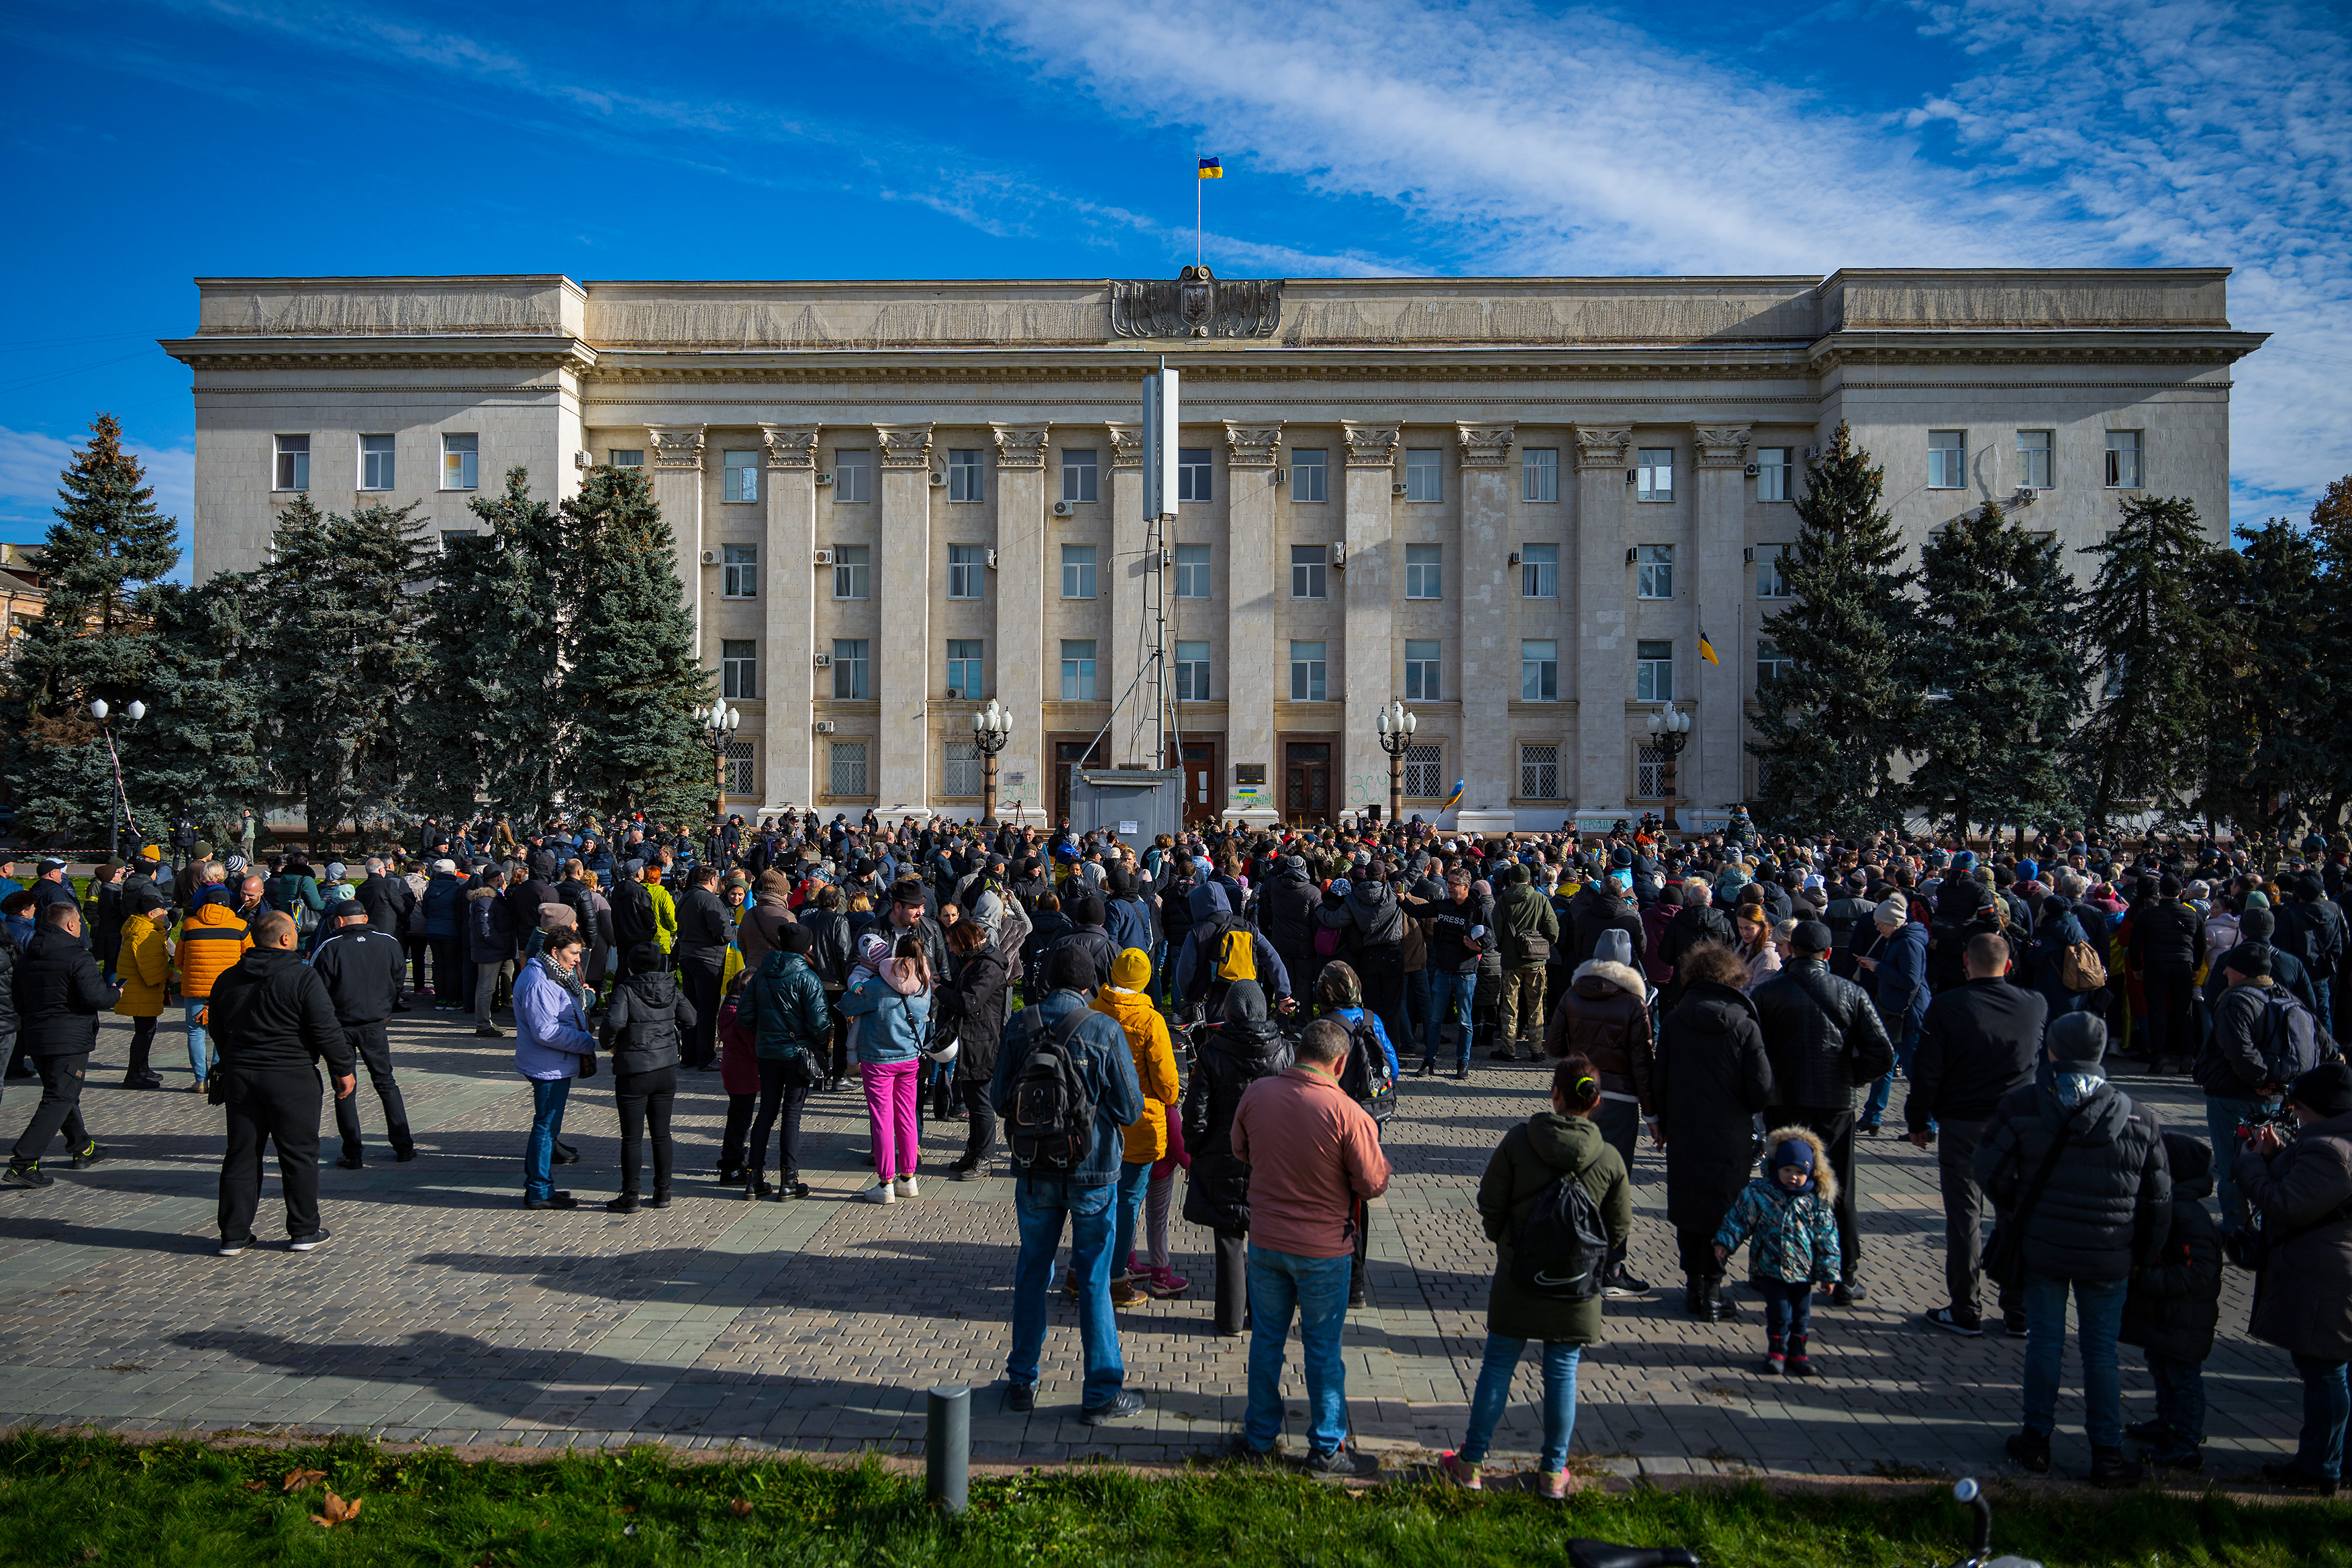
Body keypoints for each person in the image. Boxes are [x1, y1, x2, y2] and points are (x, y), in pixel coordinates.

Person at [1976, 1012, 2171, 1487]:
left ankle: (2036, 1440)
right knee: (2100, 1351)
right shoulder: (2141, 1116)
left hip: (2043, 1246)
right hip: (2109, 1253)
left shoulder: (2023, 1105)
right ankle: (2106, 1452)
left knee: (2045, 1342)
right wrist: (2142, 1252)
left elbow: (1988, 1169)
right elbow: (2158, 1200)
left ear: (2052, 1052)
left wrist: (2018, 1207)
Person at [1437, 1055, 1630, 1497]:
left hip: (1519, 1275)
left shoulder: (1520, 1141)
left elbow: (1491, 1202)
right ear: (1596, 1101)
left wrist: (1507, 1247)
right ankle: (1552, 1474)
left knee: (1498, 1365)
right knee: (1562, 1373)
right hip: (1576, 1284)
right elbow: (1617, 1229)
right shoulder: (1610, 1159)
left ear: (1554, 1094)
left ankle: (1470, 1464)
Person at [1226, 1015, 1391, 1475]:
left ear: (1297, 1053)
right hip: (1324, 1252)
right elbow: (1373, 1182)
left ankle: (1259, 1438)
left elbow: (1240, 1149)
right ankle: (1326, 1447)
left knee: (1266, 1343)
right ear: (1340, 1065)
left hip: (1266, 1243)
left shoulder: (1257, 1094)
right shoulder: (1349, 1114)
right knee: (1322, 1351)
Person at [991, 944, 1146, 1424]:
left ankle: (1022, 1379)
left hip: (1034, 1167)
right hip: (1094, 1171)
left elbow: (999, 1099)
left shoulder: (1021, 1024)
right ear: (1089, 986)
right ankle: (1101, 1392)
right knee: (1096, 1278)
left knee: (1032, 1272)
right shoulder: (1103, 1028)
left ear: (1046, 981)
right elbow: (1130, 1109)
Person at [1908, 932, 2047, 1337]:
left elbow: (1927, 1070)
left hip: (1964, 1122)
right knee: (2016, 1214)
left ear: (1966, 964)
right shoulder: (2034, 1004)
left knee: (1965, 1216)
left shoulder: (1948, 1006)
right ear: (2008, 966)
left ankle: (1965, 1306)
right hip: (2019, 1123)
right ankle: (2018, 1310)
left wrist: (1919, 1120)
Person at [1750, 920, 1893, 1306]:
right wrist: (1851, 1076)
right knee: (1838, 1188)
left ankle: (1772, 1265)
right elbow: (1883, 1052)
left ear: (1791, 950)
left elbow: (1751, 1049)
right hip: (1834, 1104)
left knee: (1780, 1184)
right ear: (1828, 954)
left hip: (1785, 1101)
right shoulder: (1851, 992)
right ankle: (1844, 1276)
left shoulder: (1767, 993)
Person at [2233, 1061, 2352, 1496]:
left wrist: (2250, 1168)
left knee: (2324, 1371)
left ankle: (2320, 1467)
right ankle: (2333, 1460)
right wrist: (2281, 1155)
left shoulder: (2330, 1151)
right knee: (2334, 1370)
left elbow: (2287, 1206)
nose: (2295, 1116)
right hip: (2335, 1270)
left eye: (2299, 1110)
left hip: (2327, 1278)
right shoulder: (2333, 1144)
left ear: (2320, 1108)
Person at [207, 911, 357, 1254]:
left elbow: (216, 1027)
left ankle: (233, 1234)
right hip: (292, 1075)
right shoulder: (301, 977)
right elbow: (325, 1027)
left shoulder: (228, 978)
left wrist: (234, 1055)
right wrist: (343, 1068)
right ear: (287, 939)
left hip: (242, 1075)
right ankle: (304, 1229)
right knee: (299, 1154)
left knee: (241, 1154)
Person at [1653, 942, 1775, 1321]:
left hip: (1685, 1130)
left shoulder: (1675, 1019)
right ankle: (1713, 1287)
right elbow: (1761, 1088)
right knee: (1724, 1208)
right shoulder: (1743, 1023)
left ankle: (1694, 1285)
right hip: (1730, 1133)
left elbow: (1661, 1076)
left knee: (1689, 1208)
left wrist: (1658, 1118)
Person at [1545, 926, 1653, 1296]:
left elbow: (1553, 1044)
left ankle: (1571, 1256)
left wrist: (1580, 1057)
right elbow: (1643, 1063)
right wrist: (1653, 1115)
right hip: (1620, 1102)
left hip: (1578, 1096)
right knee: (1614, 1184)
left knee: (1574, 1177)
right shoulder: (1633, 1004)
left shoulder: (1573, 994)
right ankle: (1611, 1267)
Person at [1182, 978, 1293, 1336]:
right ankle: (1262, 1317)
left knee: (1229, 1240)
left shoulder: (1212, 1053)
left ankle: (1229, 1320)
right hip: (1273, 1163)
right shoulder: (1286, 1052)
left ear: (1228, 1012)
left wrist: (1195, 1149)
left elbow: (1195, 1114)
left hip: (1223, 1158)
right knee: (1264, 1242)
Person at [2198, 942, 2327, 1234]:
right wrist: (2278, 1085)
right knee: (2267, 1161)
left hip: (2233, 1096)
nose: (2226, 972)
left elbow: (2240, 1050)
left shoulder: (2236, 1000)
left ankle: (2238, 1231)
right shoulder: (2285, 996)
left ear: (2242, 971)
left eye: (2231, 967)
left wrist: (2259, 1082)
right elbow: (2323, 1042)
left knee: (2233, 1165)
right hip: (2276, 1098)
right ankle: (2264, 1223)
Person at [2118, 1131, 2224, 1474]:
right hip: (2167, 1316)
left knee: (2184, 1378)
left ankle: (2187, 1444)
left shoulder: (2188, 1215)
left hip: (2185, 1317)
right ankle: (2167, 1424)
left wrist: (2143, 1277)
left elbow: (2198, 1271)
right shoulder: (2171, 1206)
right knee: (2161, 1368)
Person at [1089, 946, 1180, 1308]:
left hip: (1099, 1120)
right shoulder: (1151, 1020)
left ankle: (1091, 1267)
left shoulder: (1094, 1010)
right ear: (1145, 980)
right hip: (1141, 1123)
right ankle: (1116, 1274)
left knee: (1099, 1198)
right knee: (1128, 1200)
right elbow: (1168, 1083)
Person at [1712, 1126, 1843, 1376]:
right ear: (1775, 1168)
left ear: (1810, 1172)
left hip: (1803, 1272)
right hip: (1769, 1267)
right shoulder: (1760, 1193)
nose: (1793, 1177)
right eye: (1787, 1170)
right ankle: (1777, 1350)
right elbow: (1739, 1219)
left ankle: (1798, 1351)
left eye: (1799, 1172)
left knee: (1801, 1313)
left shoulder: (1815, 1201)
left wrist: (1829, 1274)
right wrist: (1725, 1242)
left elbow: (1827, 1239)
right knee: (1780, 1313)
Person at [3, 903, 117, 1187]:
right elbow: (96, 998)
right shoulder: (77, 956)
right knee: (58, 1098)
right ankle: (23, 1163)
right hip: (69, 1039)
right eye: (79, 921)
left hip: (37, 1037)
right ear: (69, 925)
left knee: (62, 1093)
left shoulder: (28, 955)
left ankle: (82, 1147)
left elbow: (18, 998)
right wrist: (115, 993)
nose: (82, 926)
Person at [311, 899, 413, 1169]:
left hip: (339, 1026)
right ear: (365, 919)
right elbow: (399, 979)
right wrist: (387, 1005)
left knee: (345, 1088)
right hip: (375, 1023)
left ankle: (353, 1152)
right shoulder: (389, 942)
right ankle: (403, 1145)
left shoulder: (330, 946)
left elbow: (316, 989)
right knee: (386, 1082)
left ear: (339, 921)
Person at [838, 931, 934, 1203]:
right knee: (907, 1116)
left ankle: (885, 1183)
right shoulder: (924, 985)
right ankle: (909, 1179)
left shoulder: (877, 985)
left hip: (878, 1059)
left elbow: (846, 1005)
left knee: (882, 1119)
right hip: (910, 1058)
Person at [740, 923, 833, 1200]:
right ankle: (788, 1180)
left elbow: (744, 1014)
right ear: (806, 948)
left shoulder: (762, 973)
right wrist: (817, 1041)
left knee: (766, 1111)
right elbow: (819, 1023)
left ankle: (754, 1177)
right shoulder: (807, 977)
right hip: (797, 1054)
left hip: (768, 1052)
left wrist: (766, 1032)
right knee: (791, 1114)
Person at [600, 941, 693, 1212]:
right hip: (664, 1068)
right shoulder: (671, 989)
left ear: (630, 968)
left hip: (633, 1068)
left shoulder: (626, 990)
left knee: (631, 1137)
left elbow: (612, 1025)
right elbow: (691, 1018)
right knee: (662, 1133)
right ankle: (663, 1191)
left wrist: (610, 1043)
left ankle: (630, 1195)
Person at [513, 927, 597, 1210]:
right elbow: (545, 1031)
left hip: (553, 1062)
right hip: (547, 1064)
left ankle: (541, 1184)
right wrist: (585, 1042)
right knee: (546, 1127)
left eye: (579, 953)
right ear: (554, 951)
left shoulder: (552, 974)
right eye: (573, 954)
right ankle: (538, 1189)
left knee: (548, 1126)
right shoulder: (540, 981)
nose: (577, 960)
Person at [938, 916, 1010, 1180]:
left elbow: (968, 1002)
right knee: (972, 1099)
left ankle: (984, 1157)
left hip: (983, 1042)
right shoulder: (974, 961)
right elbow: (962, 992)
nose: (951, 950)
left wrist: (937, 990)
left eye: (952, 945)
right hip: (973, 1039)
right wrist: (943, 984)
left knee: (980, 1104)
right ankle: (974, 1151)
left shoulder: (987, 967)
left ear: (965, 941)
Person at [1858, 897, 1928, 1134]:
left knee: (1913, 1072)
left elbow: (1910, 980)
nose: (1878, 929)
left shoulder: (1908, 943)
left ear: (1896, 923)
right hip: (1895, 1013)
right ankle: (1872, 1116)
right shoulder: (1898, 939)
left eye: (1881, 925)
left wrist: (1877, 967)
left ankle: (1927, 1123)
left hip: (1908, 1016)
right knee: (1884, 1066)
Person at [111, 889, 171, 1089]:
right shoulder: (148, 935)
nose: (166, 913)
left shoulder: (141, 928)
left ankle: (143, 1068)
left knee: (147, 1029)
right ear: (150, 914)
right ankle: (134, 1074)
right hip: (142, 991)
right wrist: (172, 975)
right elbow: (153, 971)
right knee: (144, 1032)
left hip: (139, 990)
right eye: (163, 910)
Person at [673, 865, 730, 1070]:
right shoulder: (708, 900)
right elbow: (722, 931)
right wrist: (733, 932)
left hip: (687, 957)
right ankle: (705, 1057)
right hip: (707, 960)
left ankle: (688, 1056)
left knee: (691, 1008)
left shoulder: (685, 898)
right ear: (714, 880)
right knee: (707, 1010)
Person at [467, 867, 517, 1038]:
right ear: (498, 877)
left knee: (488, 987)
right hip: (490, 951)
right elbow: (485, 930)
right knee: (486, 988)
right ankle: (482, 1025)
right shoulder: (485, 900)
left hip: (495, 950)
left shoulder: (494, 897)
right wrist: (502, 944)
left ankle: (486, 1022)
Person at [420, 859, 467, 1009]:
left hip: (433, 931)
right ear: (453, 871)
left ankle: (440, 1000)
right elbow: (460, 912)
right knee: (452, 967)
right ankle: (452, 1000)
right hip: (451, 933)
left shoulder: (430, 888)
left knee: (438, 966)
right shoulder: (457, 889)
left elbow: (425, 911)